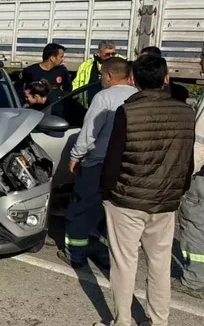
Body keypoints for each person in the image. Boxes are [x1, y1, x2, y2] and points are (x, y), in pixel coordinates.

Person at [96, 55, 195, 326]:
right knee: (160, 265)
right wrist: (179, 189)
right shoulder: (186, 112)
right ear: (166, 79)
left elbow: (113, 159)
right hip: (165, 200)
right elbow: (187, 159)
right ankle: (159, 321)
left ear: (133, 81)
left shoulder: (127, 112)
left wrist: (105, 192)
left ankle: (123, 321)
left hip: (127, 199)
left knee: (124, 264)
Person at [58, 57, 137, 269]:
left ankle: (76, 254)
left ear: (109, 75)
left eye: (102, 75)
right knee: (114, 211)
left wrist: (75, 157)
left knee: (82, 208)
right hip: (128, 165)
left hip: (99, 164)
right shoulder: (138, 96)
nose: (101, 78)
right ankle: (105, 254)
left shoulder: (104, 97)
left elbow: (89, 133)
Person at [173, 40, 204, 299]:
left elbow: (202, 142)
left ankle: (194, 281)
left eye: (202, 58)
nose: (200, 63)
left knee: (197, 223)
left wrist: (186, 173)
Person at [72, 40, 121, 107]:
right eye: (107, 54)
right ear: (99, 53)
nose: (111, 56)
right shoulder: (86, 65)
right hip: (90, 104)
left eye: (113, 54)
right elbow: (76, 85)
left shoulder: (121, 63)